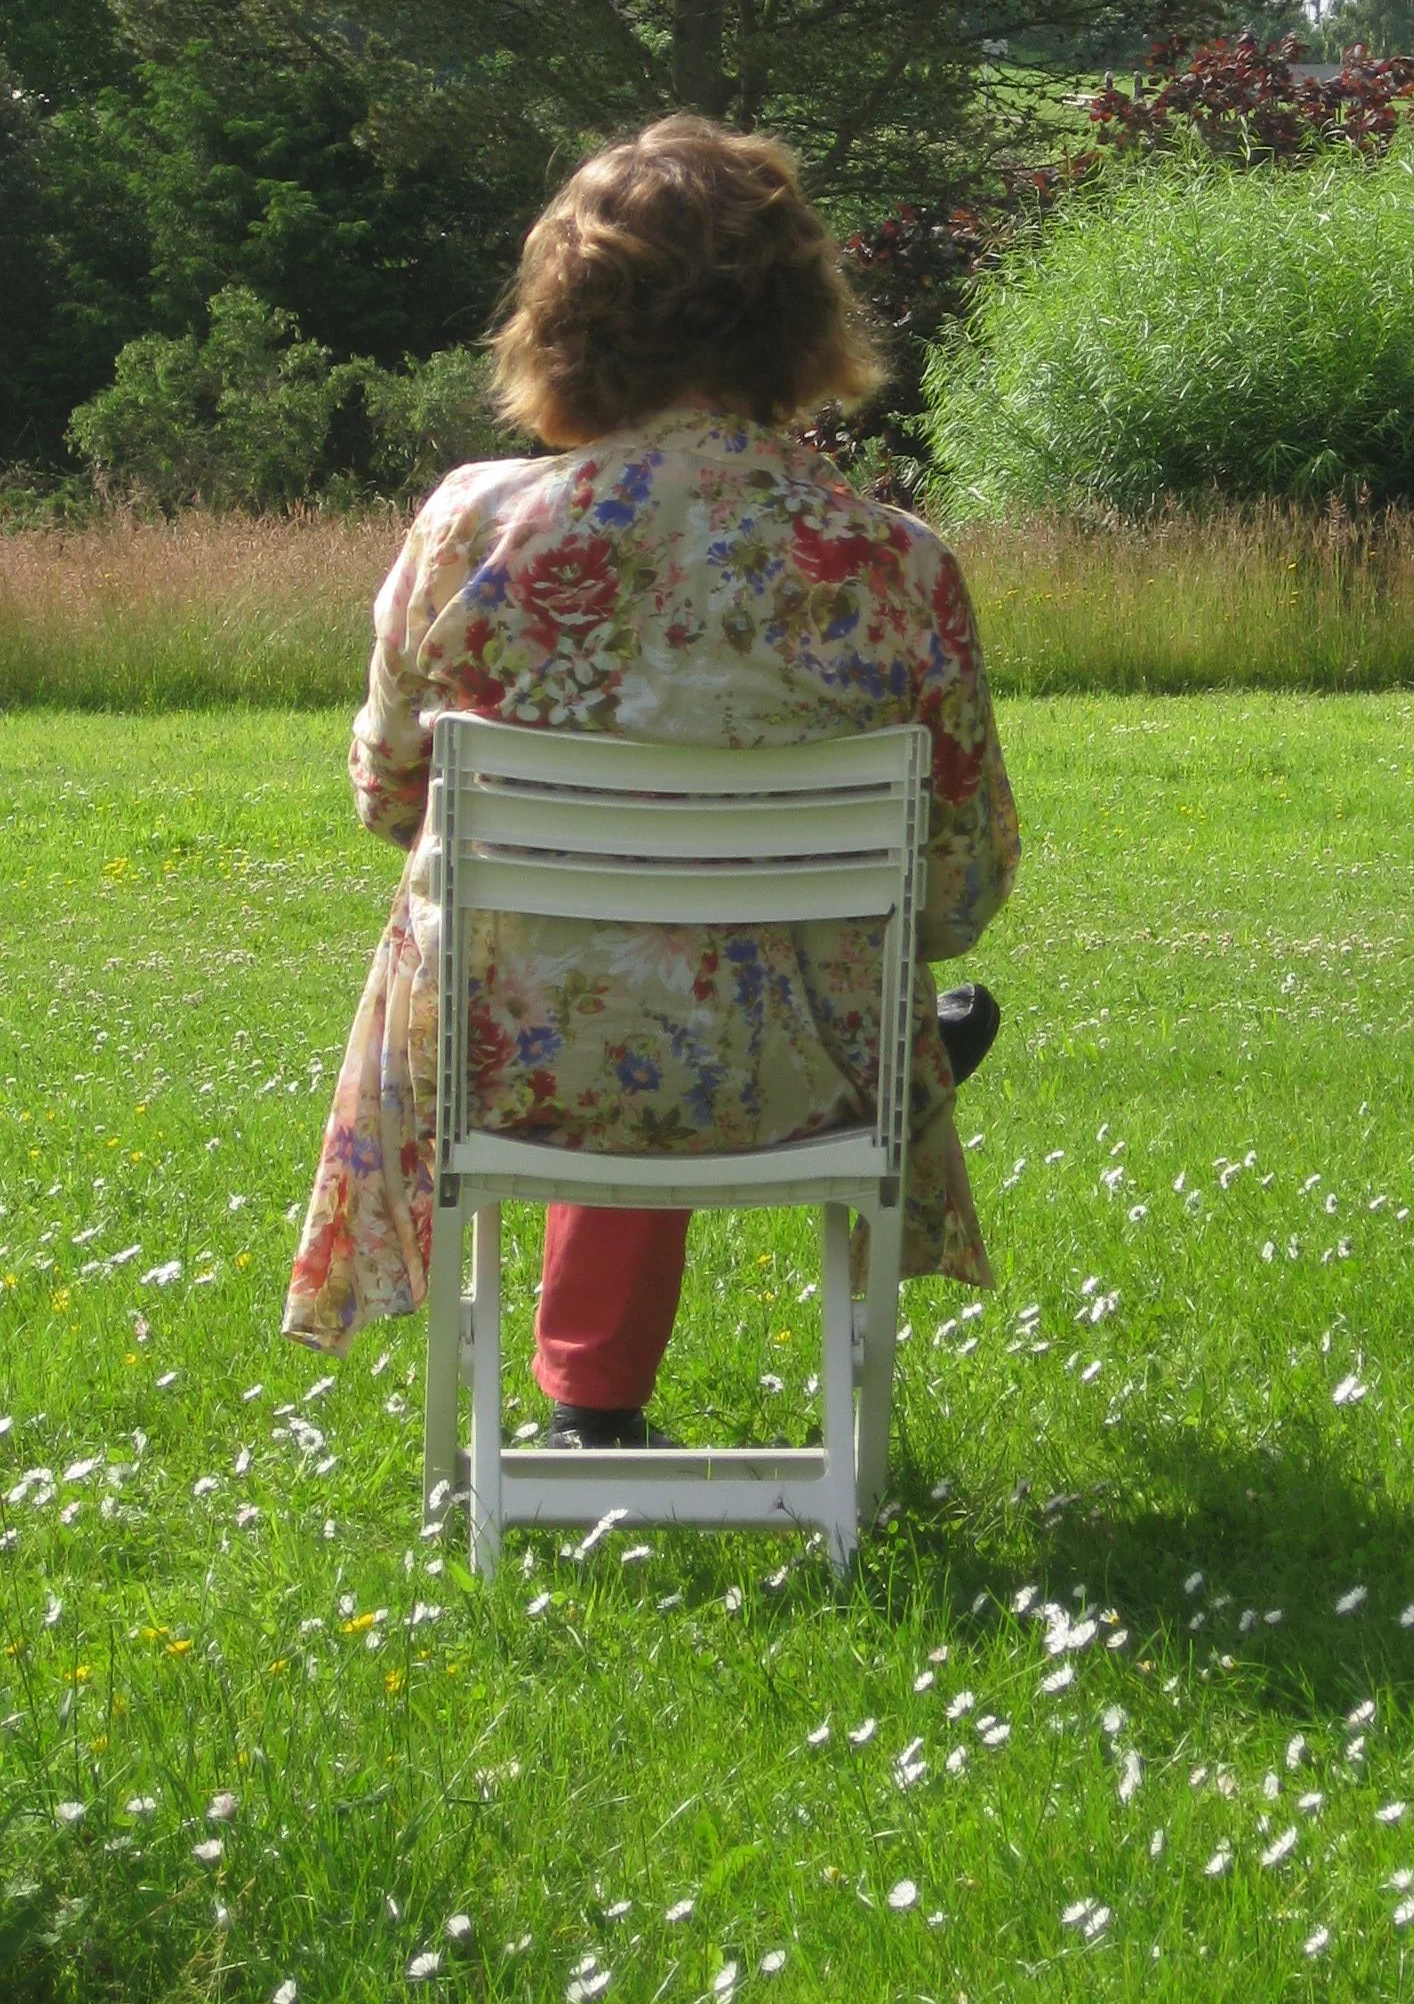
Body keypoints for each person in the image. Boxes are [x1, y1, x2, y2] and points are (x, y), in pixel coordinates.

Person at [281, 114, 1019, 1445]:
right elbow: (961, 890)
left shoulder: (471, 528)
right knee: (716, 970)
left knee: (606, 968)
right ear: (800, 321)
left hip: (506, 1070)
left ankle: (581, 1410)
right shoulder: (898, 566)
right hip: (808, 1080)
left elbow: (390, 796)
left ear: (567, 326)